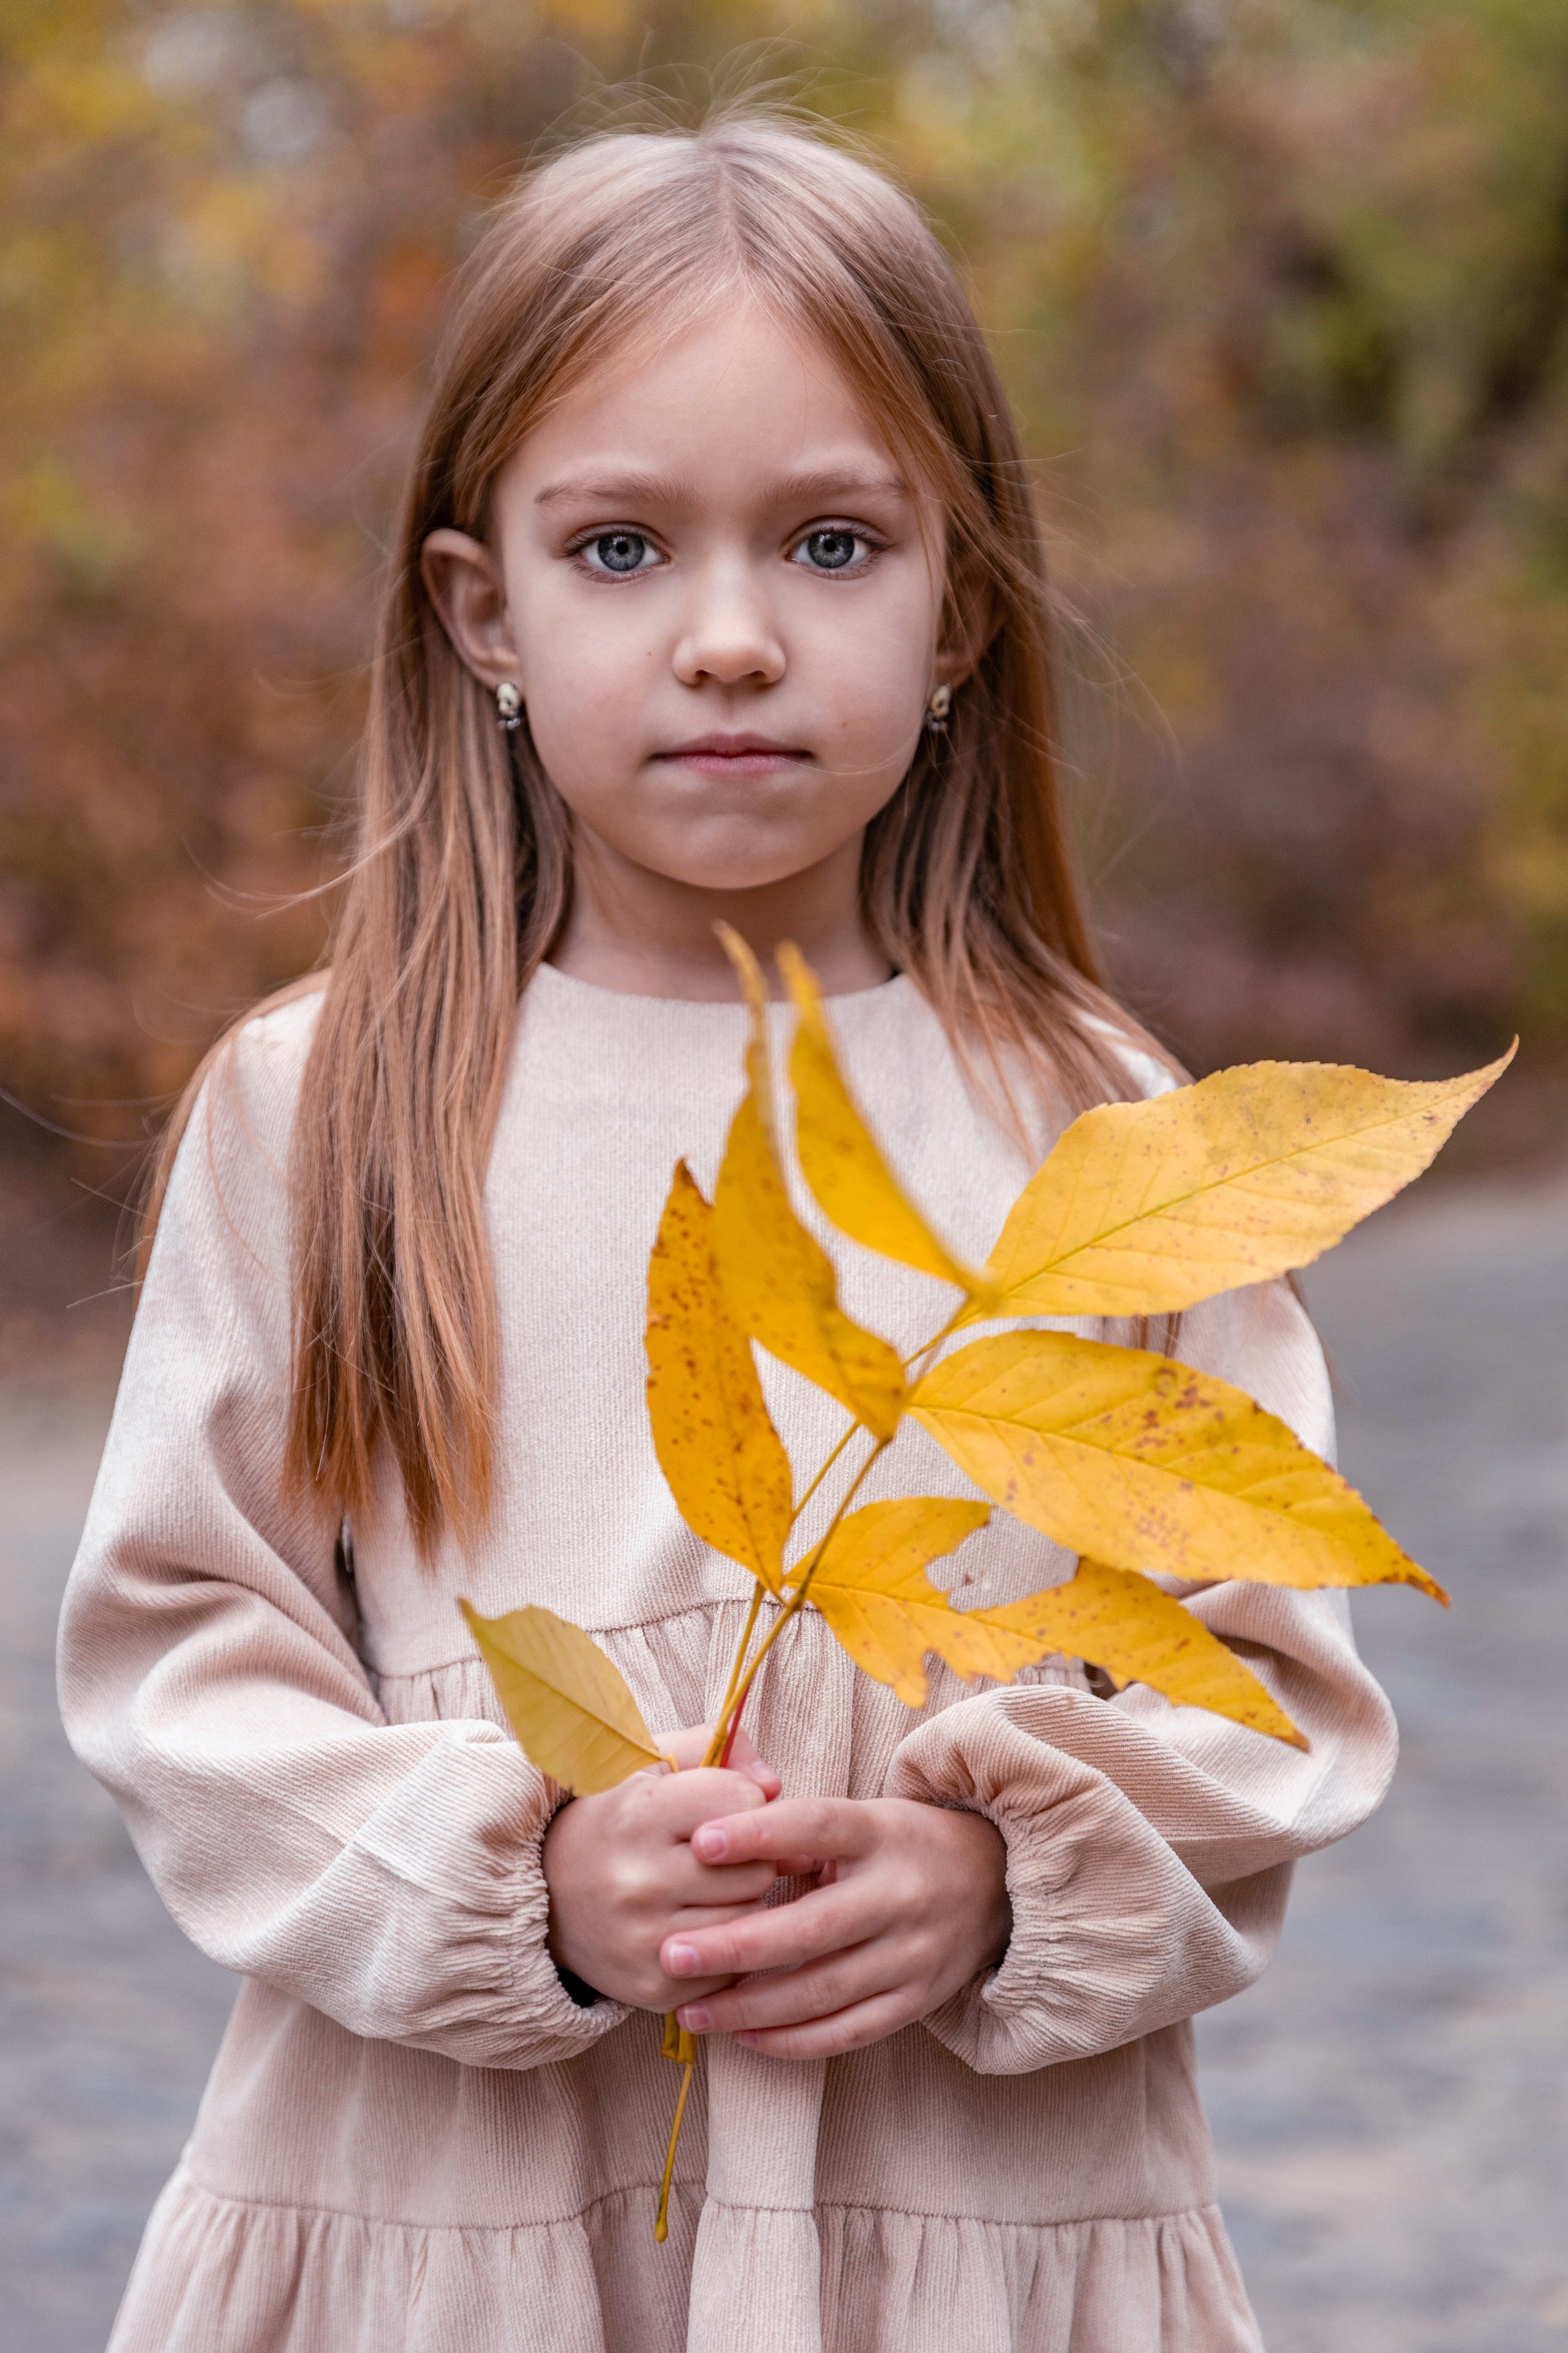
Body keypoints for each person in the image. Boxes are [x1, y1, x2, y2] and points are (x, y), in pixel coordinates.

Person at [58, 109, 1395, 2353]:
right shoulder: (333, 1112)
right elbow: (181, 1654)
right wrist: (519, 1881)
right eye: (619, 551)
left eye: (833, 542)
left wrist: (997, 1881)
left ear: (959, 602)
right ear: (478, 608)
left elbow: (1268, 1671)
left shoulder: (1094, 1135)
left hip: (961, 2226)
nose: (733, 639)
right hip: (449, 2219)